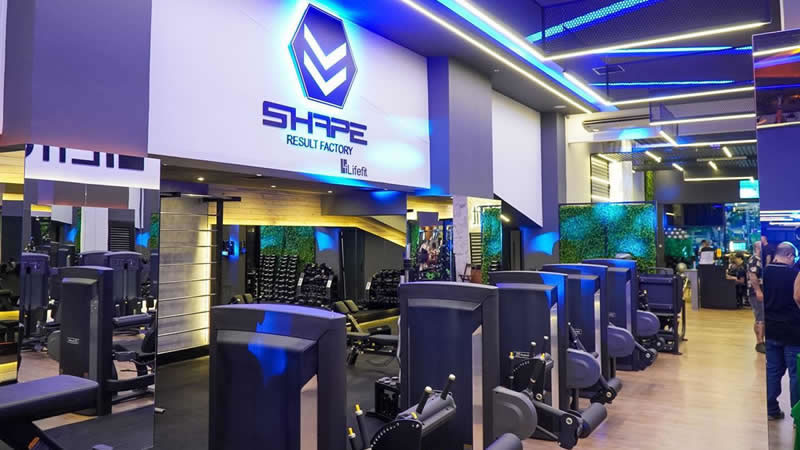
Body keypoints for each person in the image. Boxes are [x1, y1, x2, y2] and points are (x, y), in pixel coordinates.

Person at [763, 242, 800, 420]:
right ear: (790, 255)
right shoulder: (794, 274)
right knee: (796, 374)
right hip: (793, 330)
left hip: (771, 329)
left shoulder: (765, 272)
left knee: (772, 371)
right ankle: (797, 416)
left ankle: (771, 410)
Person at [748, 242, 765, 353]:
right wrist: (758, 291)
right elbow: (752, 276)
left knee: (761, 316)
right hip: (756, 293)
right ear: (758, 248)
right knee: (760, 317)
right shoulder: (754, 260)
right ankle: (759, 342)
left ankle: (761, 341)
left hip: (760, 292)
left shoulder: (760, 260)